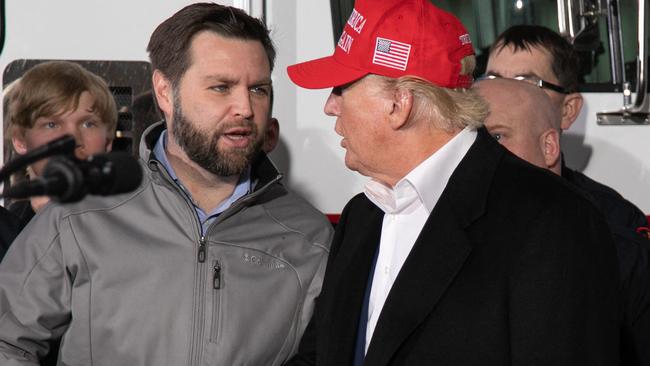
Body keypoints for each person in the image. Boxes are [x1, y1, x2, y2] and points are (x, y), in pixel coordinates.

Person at [284, 0, 620, 365]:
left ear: (400, 104)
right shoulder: (362, 218)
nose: (330, 106)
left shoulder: (552, 222)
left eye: (342, 87)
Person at [0, 3, 333, 365]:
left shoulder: (309, 238)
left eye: (258, 89)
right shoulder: (82, 210)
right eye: (221, 87)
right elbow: (8, 342)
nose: (245, 108)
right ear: (164, 91)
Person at [476, 77, 650, 366]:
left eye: (497, 137)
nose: (477, 155)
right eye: (468, 140)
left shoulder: (617, 250)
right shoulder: (439, 242)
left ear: (549, 147)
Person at [3, 61, 117, 231]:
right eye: (51, 125)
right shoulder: (7, 234)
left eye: (87, 124)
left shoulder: (135, 227)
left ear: (108, 142)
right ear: (20, 141)